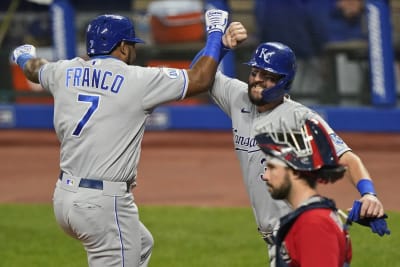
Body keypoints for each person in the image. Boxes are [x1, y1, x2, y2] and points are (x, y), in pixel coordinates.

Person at [11, 11, 247, 267]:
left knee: (141, 245)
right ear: (122, 47)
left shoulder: (64, 71)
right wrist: (214, 32)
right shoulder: (137, 79)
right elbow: (199, 78)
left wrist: (23, 55)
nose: (133, 51)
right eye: (131, 45)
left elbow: (34, 69)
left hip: (64, 199)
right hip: (102, 205)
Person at [200, 41, 390, 265]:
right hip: (279, 238)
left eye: (268, 75)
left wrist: (368, 194)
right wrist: (219, 44)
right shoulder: (237, 97)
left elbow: (346, 157)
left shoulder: (300, 117)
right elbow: (200, 75)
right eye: (254, 72)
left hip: (300, 230)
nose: (258, 79)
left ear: (285, 81)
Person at [254, 118, 353, 266]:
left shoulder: (314, 223)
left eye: (272, 168)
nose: (266, 176)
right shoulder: (310, 217)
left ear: (295, 171)